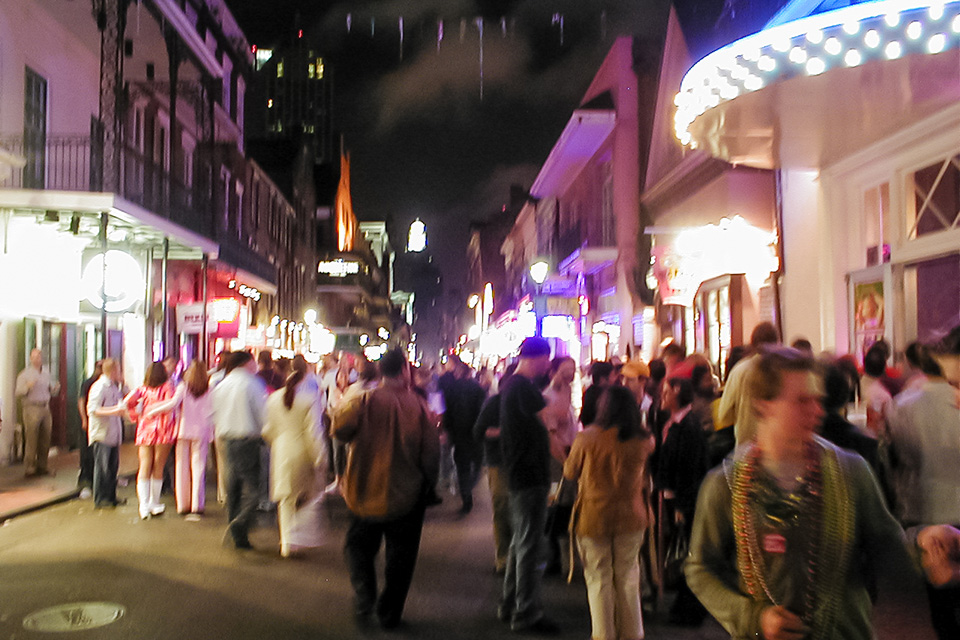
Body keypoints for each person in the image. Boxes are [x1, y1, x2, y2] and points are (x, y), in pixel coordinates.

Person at [685, 346, 960, 640]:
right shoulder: (726, 483)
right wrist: (753, 617)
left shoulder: (850, 472)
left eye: (818, 400)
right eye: (802, 401)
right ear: (764, 405)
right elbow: (700, 568)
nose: (818, 411)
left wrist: (925, 542)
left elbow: (887, 546)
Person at [332, 349, 440, 630]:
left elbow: (340, 430)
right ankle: (389, 613)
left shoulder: (365, 400)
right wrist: (430, 483)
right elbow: (431, 454)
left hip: (365, 490)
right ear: (405, 371)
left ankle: (365, 593)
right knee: (400, 560)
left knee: (357, 548)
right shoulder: (418, 406)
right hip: (406, 494)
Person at [563, 385, 655, 640]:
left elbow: (570, 472)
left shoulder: (587, 438)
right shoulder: (644, 439)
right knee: (628, 575)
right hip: (632, 514)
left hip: (594, 516)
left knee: (599, 578)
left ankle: (604, 635)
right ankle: (633, 634)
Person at [887, 327, 960, 639]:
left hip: (928, 501)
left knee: (942, 609)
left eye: (957, 385)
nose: (955, 399)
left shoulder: (902, 404)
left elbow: (899, 462)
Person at [499, 336, 560, 635]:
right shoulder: (525, 388)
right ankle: (526, 611)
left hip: (518, 472)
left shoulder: (511, 384)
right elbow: (549, 427)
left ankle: (510, 603)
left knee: (519, 542)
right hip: (530, 474)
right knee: (529, 546)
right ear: (537, 357)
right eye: (547, 360)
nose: (548, 366)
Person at [657, 370, 709, 626]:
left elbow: (689, 468)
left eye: (666, 392)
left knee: (688, 548)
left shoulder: (687, 427)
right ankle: (686, 603)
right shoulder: (676, 424)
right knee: (685, 547)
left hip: (684, 499)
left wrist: (680, 503)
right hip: (676, 496)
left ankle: (691, 608)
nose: (662, 397)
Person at [263, 365, 324, 558]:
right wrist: (320, 457)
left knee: (285, 499)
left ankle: (286, 542)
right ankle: (300, 537)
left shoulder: (273, 399)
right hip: (302, 451)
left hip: (281, 449)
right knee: (306, 495)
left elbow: (266, 430)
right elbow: (314, 433)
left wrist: (276, 441)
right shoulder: (309, 400)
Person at [144, 360, 215, 517]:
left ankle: (183, 504)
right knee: (199, 467)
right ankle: (197, 504)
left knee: (181, 466)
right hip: (201, 431)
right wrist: (212, 432)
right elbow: (212, 412)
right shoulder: (209, 389)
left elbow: (173, 404)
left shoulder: (183, 387)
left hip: (183, 430)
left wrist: (153, 410)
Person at [213, 351, 268, 549]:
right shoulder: (252, 384)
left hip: (225, 439)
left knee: (233, 489)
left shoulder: (222, 384)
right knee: (254, 489)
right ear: (247, 363)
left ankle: (238, 534)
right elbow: (263, 414)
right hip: (247, 440)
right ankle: (240, 523)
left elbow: (212, 413)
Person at [474, 365, 517, 574]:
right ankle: (503, 558)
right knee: (502, 510)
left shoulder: (527, 403)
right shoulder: (494, 403)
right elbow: (479, 431)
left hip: (521, 463)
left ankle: (517, 557)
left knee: (519, 512)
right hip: (499, 463)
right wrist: (503, 432)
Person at [125, 362, 176, 519]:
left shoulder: (142, 389)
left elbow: (126, 403)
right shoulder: (167, 387)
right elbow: (170, 406)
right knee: (158, 466)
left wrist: (136, 414)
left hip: (145, 429)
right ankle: (154, 502)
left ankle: (143, 505)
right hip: (163, 430)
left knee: (144, 465)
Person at [541, 356, 578, 573]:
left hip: (569, 455)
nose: (571, 373)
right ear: (553, 371)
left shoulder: (566, 391)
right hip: (557, 461)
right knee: (555, 503)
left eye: (572, 369)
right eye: (566, 369)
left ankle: (563, 557)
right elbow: (551, 436)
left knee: (564, 505)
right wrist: (566, 463)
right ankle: (555, 557)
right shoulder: (549, 396)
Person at [716, 321, 780, 446]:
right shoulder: (785, 370)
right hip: (779, 447)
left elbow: (724, 415)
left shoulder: (740, 370)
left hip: (747, 448)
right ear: (777, 342)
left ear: (753, 342)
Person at [440, 361, 487, 514]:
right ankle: (470, 486)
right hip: (475, 434)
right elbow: (482, 411)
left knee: (463, 467)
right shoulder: (478, 389)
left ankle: (466, 497)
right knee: (477, 463)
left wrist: (447, 432)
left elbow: (446, 413)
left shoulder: (450, 389)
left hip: (459, 434)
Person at [86, 359, 126, 509]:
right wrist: (114, 410)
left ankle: (111, 496)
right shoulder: (99, 387)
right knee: (102, 467)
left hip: (113, 433)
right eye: (118, 370)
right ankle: (100, 498)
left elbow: (121, 402)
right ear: (113, 371)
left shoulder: (114, 387)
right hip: (102, 434)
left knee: (112, 467)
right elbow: (93, 409)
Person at [15, 348, 60, 477]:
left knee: (45, 438)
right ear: (30, 359)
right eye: (34, 357)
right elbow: (18, 392)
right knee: (32, 438)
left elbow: (50, 389)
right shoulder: (24, 374)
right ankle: (29, 467)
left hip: (45, 406)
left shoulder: (46, 372)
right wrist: (27, 387)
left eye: (39, 356)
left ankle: (42, 465)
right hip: (32, 407)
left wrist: (54, 388)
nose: (37, 359)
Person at [77, 360, 104, 498]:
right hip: (91, 422)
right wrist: (84, 419)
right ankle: (85, 482)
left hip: (101, 425)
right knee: (87, 453)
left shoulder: (107, 384)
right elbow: (81, 401)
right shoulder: (88, 383)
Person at [581, 361, 617, 427]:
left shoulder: (588, 392)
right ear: (602, 379)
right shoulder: (605, 396)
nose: (615, 378)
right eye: (612, 375)